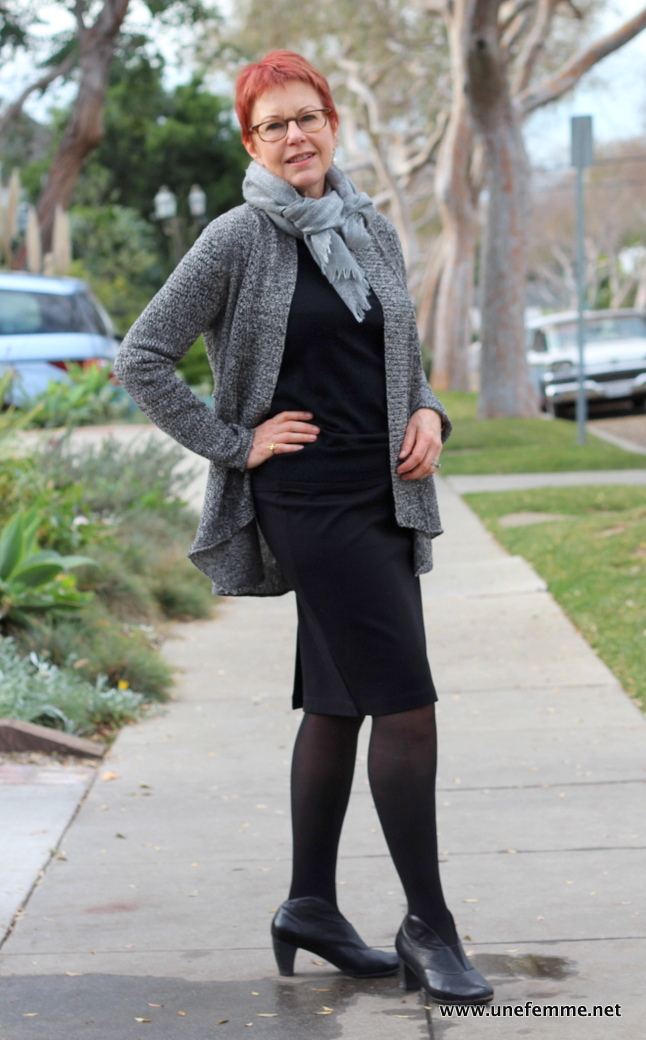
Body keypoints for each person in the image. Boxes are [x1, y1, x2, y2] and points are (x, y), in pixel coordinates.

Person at [114, 50, 493, 1006]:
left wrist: (429, 412)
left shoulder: (370, 225)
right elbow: (142, 356)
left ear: (333, 123)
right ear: (251, 144)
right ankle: (429, 926)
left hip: (382, 488)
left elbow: (398, 353)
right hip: (308, 498)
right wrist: (236, 443)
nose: (295, 136)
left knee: (338, 701)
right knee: (405, 703)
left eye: (307, 117)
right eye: (274, 125)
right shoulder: (236, 239)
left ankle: (310, 907)